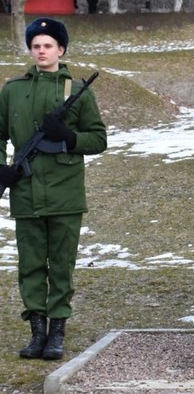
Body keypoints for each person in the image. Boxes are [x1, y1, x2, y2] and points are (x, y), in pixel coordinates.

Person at [0, 18, 107, 360]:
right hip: (26, 191)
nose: (41, 51)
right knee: (31, 265)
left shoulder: (76, 92)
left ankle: (57, 332)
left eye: (48, 45)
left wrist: (69, 138)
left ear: (61, 50)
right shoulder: (12, 90)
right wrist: (2, 171)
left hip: (65, 193)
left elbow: (99, 139)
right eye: (36, 46)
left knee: (61, 265)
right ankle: (37, 333)